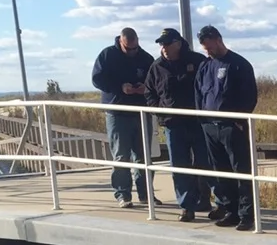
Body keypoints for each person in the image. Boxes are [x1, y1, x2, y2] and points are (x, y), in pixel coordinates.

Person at [144, 27, 213, 222]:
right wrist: (159, 110)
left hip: (198, 123)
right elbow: (150, 92)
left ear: (178, 43)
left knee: (204, 163)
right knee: (179, 166)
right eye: (161, 44)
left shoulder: (198, 61)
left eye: (167, 43)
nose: (163, 47)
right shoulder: (157, 67)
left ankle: (207, 200)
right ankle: (186, 206)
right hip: (173, 124)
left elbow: (209, 88)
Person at [194, 25, 259, 229]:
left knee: (241, 171)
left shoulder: (239, 64)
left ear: (218, 39)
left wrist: (239, 121)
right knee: (221, 171)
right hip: (210, 127)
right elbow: (198, 94)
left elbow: (249, 96)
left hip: (232, 127)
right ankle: (231, 210)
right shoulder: (205, 66)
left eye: (208, 46)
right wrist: (202, 120)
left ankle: (247, 215)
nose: (207, 51)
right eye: (204, 48)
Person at [91, 27, 155, 208]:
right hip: (117, 113)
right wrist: (120, 87)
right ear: (121, 41)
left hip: (141, 112)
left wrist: (145, 88)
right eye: (129, 49)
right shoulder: (107, 55)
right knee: (121, 156)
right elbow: (97, 79)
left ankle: (146, 194)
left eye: (135, 48)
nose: (133, 52)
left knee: (144, 157)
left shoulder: (146, 58)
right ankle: (123, 194)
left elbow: (155, 81)